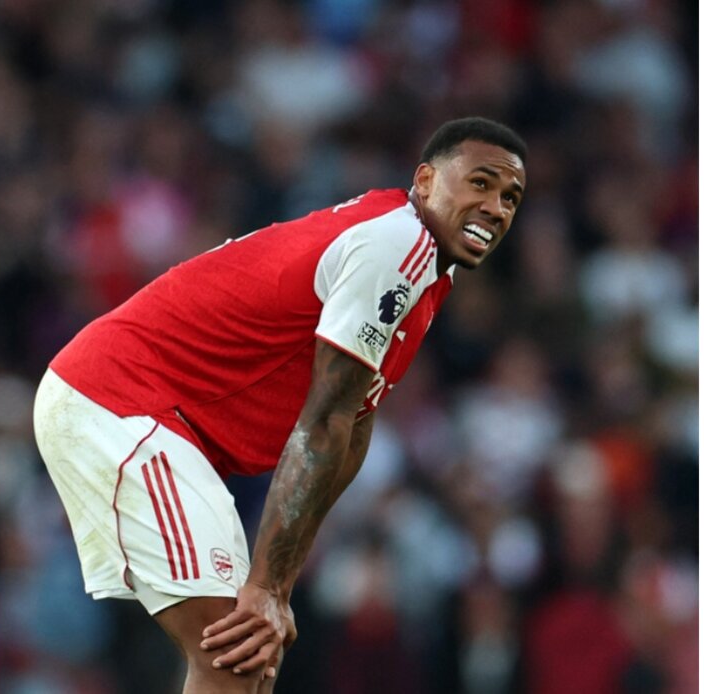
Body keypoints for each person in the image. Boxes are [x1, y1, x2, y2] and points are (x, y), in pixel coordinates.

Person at [33, 116, 527, 693]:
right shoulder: (397, 244)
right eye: (480, 183)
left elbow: (353, 425)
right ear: (425, 180)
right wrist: (268, 587)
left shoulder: (426, 274)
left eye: (510, 197)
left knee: (253, 657)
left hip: (163, 424)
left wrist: (279, 585)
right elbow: (326, 420)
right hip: (121, 402)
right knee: (231, 650)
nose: (495, 207)